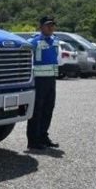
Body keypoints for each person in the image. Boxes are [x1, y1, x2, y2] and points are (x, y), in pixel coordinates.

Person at [27, 15, 61, 150]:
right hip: (39, 81)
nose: (51, 27)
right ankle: (33, 141)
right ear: (41, 27)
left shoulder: (55, 40)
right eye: (48, 25)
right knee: (37, 110)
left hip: (51, 79)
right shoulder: (33, 41)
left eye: (52, 25)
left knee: (48, 109)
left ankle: (43, 136)